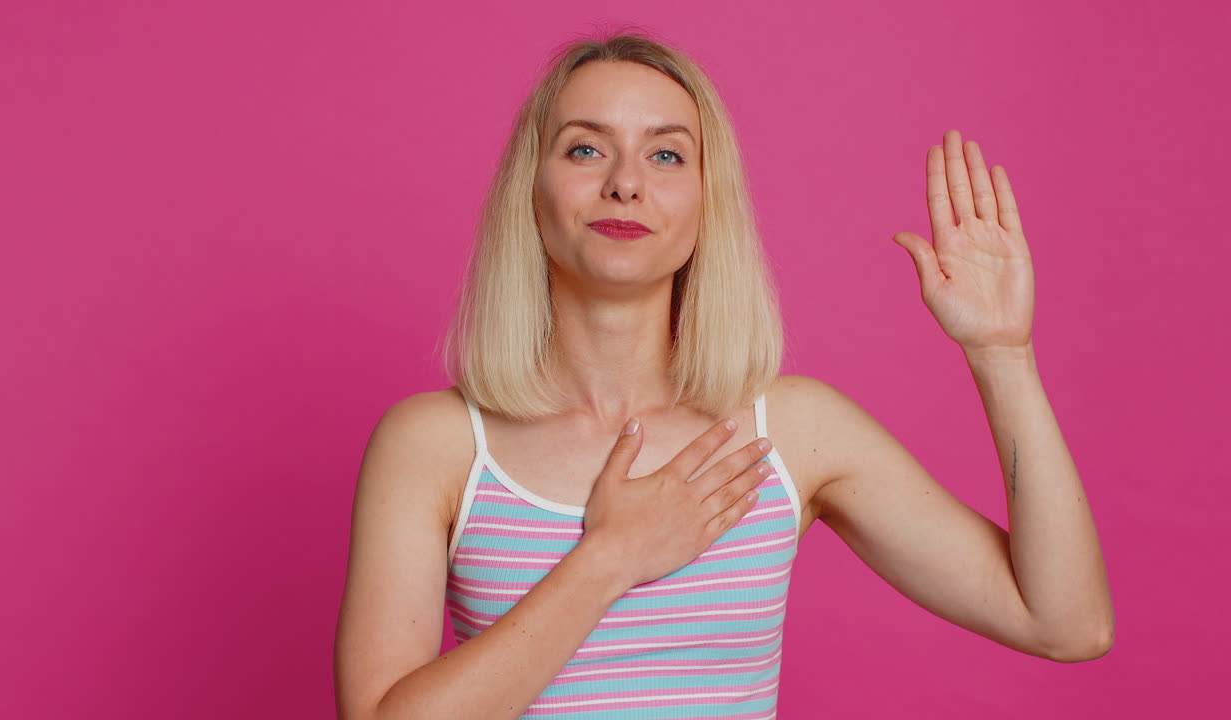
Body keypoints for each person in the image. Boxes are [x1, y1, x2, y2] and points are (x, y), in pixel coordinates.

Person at [334, 29, 1114, 720]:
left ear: (709, 204)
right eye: (584, 148)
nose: (625, 183)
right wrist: (610, 559)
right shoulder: (435, 445)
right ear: (530, 194)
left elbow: (1066, 622)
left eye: (666, 153)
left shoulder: (793, 432)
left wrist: (1001, 355)